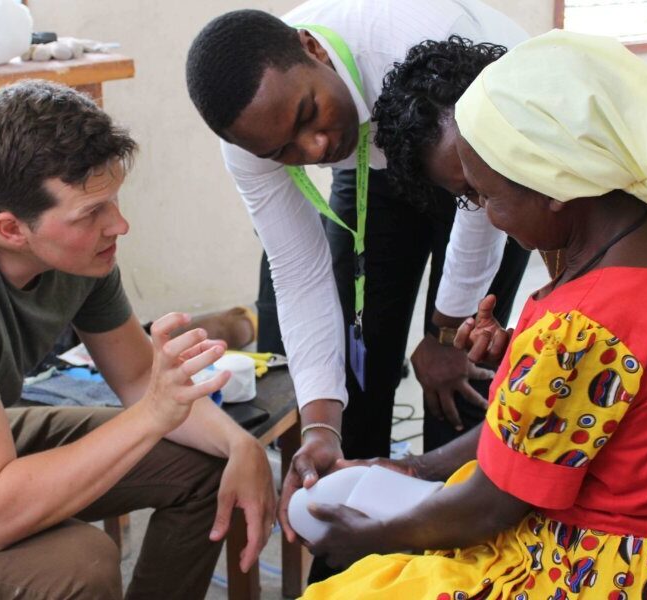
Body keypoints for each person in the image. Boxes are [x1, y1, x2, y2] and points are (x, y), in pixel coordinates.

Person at [297, 30, 647, 598]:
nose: (488, 217)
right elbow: (598, 400)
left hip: (604, 566)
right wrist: (525, 359)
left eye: (488, 196)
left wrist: (374, 537)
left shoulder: (579, 327)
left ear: (555, 186)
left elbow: (491, 506)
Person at [185, 3, 531, 577]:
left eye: (308, 115)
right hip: (375, 166)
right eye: (285, 151)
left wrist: (444, 331)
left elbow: (479, 205)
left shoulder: (414, 36)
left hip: (485, 154)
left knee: (461, 374)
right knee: (352, 372)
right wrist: (319, 426)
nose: (315, 147)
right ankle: (353, 561)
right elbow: (297, 271)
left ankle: (455, 562)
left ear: (314, 49)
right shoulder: (253, 139)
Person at [0, 80, 275, 599]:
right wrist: (153, 415)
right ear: (12, 229)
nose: (119, 225)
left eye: (112, 202)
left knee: (206, 465)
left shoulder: (81, 253)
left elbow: (134, 376)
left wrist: (240, 444)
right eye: (91, 214)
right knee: (80, 567)